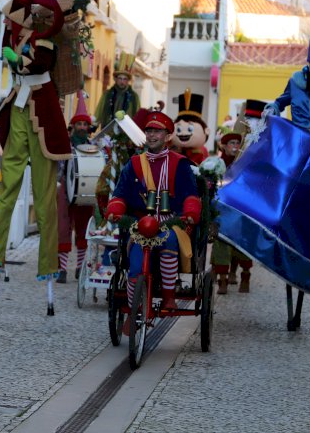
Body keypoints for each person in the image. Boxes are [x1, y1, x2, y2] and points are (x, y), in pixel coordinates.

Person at [215, 34, 310, 297]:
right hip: (295, 139)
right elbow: (283, 99)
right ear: (308, 62)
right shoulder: (296, 80)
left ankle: (300, 233)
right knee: (273, 170)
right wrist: (274, 108)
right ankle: (252, 208)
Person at [0, 0, 72, 314]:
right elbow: (10, 52)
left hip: (42, 113)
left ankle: (47, 266)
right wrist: (12, 48)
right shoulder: (16, 32)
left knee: (44, 199)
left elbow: (39, 64)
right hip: (18, 108)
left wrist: (18, 58)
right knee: (7, 190)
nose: (29, 16)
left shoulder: (45, 38)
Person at [105, 111, 201, 311]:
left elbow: (191, 195)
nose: (151, 135)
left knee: (170, 241)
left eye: (157, 131)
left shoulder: (180, 164)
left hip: (169, 224)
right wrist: (115, 209)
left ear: (167, 137)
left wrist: (190, 213)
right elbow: (120, 193)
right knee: (135, 268)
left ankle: (168, 296)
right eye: (149, 131)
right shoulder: (133, 164)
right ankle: (133, 312)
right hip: (138, 226)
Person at [56, 90, 95, 283]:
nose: (81, 127)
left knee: (83, 228)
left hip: (86, 188)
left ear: (88, 127)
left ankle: (79, 268)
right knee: (63, 227)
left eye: (84, 124)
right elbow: (59, 166)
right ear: (73, 126)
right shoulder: (66, 144)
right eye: (79, 123)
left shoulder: (93, 147)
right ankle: (62, 269)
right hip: (65, 186)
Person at [210, 130, 253, 293]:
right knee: (222, 242)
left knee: (242, 243)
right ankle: (222, 279)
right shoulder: (217, 164)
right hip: (223, 209)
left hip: (241, 209)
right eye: (231, 144)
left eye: (237, 143)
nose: (235, 147)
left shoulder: (244, 164)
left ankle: (244, 276)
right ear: (225, 146)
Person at [94, 52, 140, 130]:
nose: (122, 81)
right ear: (115, 79)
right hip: (107, 133)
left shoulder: (134, 96)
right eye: (120, 78)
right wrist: (93, 126)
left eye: (125, 79)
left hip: (126, 134)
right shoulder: (107, 94)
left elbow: (138, 116)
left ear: (128, 80)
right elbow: (99, 112)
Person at [171, 89, 209, 165]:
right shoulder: (172, 150)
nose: (183, 133)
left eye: (190, 129)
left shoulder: (201, 151)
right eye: (178, 129)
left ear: (206, 131)